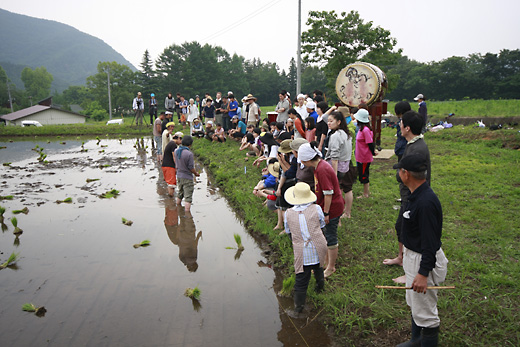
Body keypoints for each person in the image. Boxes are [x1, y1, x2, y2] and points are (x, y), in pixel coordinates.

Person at [394, 153, 448, 347]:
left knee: (426, 313)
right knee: (415, 303)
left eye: (399, 170)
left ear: (406, 174)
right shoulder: (416, 195)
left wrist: (423, 273)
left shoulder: (425, 203)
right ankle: (416, 340)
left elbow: (430, 244)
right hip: (413, 257)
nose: (398, 173)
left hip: (422, 260)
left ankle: (427, 341)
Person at [384, 110, 432, 284]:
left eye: (401, 123)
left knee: (411, 232)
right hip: (409, 195)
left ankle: (410, 271)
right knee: (401, 227)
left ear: (408, 128)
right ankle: (401, 258)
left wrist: (399, 175)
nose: (399, 125)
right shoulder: (412, 144)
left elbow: (407, 175)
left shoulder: (417, 148)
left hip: (413, 196)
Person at [298, 142, 344, 278]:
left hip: (332, 208)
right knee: (324, 235)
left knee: (330, 237)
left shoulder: (322, 169)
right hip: (326, 206)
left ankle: (331, 267)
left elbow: (328, 193)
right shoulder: (318, 166)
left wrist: (326, 213)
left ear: (306, 160)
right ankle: (324, 261)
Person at [283, 182, 327, 318]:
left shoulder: (288, 213)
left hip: (302, 250)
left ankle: (298, 310)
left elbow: (288, 231)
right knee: (319, 267)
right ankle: (320, 288)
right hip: (319, 245)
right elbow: (322, 225)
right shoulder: (316, 208)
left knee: (301, 279)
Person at [325, 111, 354, 219]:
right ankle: (347, 212)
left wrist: (334, 174)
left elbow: (335, 157)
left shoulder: (336, 135)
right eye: (328, 121)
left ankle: (338, 214)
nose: (329, 123)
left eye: (331, 121)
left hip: (338, 167)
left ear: (338, 122)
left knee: (336, 192)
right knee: (347, 189)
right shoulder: (346, 133)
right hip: (346, 165)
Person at [354, 108, 376, 199]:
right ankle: (366, 192)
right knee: (362, 173)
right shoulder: (361, 129)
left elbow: (370, 142)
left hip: (364, 156)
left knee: (364, 175)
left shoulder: (366, 130)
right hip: (360, 156)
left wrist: (373, 152)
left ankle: (366, 193)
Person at [175, 136, 200, 212]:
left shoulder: (176, 151)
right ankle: (187, 215)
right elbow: (191, 167)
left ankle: (178, 209)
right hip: (187, 177)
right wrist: (196, 173)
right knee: (188, 197)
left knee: (180, 193)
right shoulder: (189, 154)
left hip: (179, 176)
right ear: (190, 144)